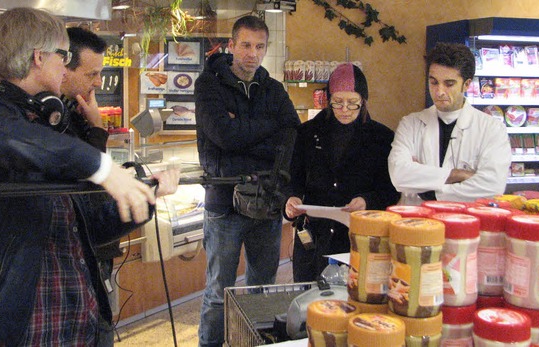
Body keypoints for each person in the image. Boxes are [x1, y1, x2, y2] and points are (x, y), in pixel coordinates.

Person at [0, 8, 178, 346]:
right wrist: (103, 168)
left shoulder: (49, 123)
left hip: (74, 310)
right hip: (21, 317)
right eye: (63, 55)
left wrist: (146, 192)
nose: (65, 63)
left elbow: (89, 224)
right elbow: (9, 138)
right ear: (39, 57)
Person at [194, 15, 300, 347]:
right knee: (217, 292)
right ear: (231, 45)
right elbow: (223, 135)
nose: (252, 53)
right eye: (245, 45)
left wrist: (244, 128)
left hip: (266, 203)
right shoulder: (209, 85)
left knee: (261, 288)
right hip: (224, 204)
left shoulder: (274, 89)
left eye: (259, 46)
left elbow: (292, 132)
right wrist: (266, 128)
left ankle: (253, 343)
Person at [284, 63, 400, 282]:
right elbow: (293, 177)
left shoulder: (381, 138)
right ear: (328, 100)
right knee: (309, 301)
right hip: (314, 235)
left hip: (360, 237)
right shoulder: (308, 133)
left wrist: (367, 200)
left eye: (352, 103)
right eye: (337, 102)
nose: (345, 109)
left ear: (363, 101)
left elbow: (390, 190)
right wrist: (291, 199)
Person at [388, 42, 511, 205]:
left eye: (449, 84)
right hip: (417, 224)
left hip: (466, 224)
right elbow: (399, 174)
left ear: (466, 84)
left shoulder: (492, 130)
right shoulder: (410, 124)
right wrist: (456, 175)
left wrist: (431, 191)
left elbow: (492, 186)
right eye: (433, 82)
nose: (439, 91)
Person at [60, 26, 122, 302]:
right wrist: (97, 129)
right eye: (91, 74)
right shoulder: (54, 119)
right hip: (78, 247)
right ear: (63, 68)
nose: (98, 82)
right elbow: (86, 177)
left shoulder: (74, 110)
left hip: (95, 244)